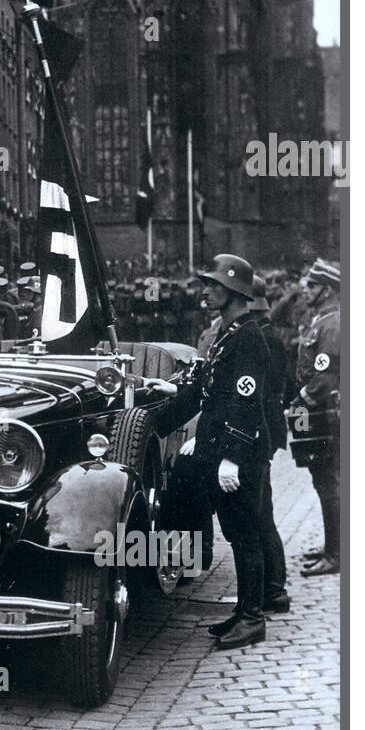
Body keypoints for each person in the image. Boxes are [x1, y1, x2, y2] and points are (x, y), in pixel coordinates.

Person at [147, 254, 273, 650]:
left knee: (244, 535)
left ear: (234, 291)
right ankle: (241, 612)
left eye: (213, 285)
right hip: (215, 448)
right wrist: (152, 425)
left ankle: (252, 618)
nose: (205, 291)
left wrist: (232, 458)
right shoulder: (228, 334)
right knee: (235, 531)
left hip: (238, 451)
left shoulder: (248, 337)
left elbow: (245, 402)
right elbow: (201, 391)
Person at [295, 258, 341, 578]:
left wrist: (299, 403)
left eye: (311, 285)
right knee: (322, 480)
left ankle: (337, 554)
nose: (305, 289)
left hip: (327, 413)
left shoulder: (334, 322)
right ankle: (332, 546)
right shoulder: (323, 319)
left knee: (330, 483)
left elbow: (325, 379)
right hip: (320, 412)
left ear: (326, 290)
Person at [250, 275, 290, 611]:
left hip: (262, 428)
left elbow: (273, 389)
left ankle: (275, 589)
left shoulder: (263, 336)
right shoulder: (265, 332)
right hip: (266, 427)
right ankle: (272, 587)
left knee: (262, 513)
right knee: (262, 510)